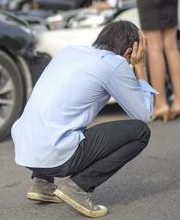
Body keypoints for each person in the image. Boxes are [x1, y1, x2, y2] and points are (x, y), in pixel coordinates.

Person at [11, 20, 156, 218]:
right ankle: (78, 187)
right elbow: (144, 114)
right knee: (140, 132)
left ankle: (42, 182)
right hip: (56, 156)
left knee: (62, 115)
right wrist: (140, 67)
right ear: (131, 50)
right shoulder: (114, 64)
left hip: (24, 149)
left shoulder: (68, 52)